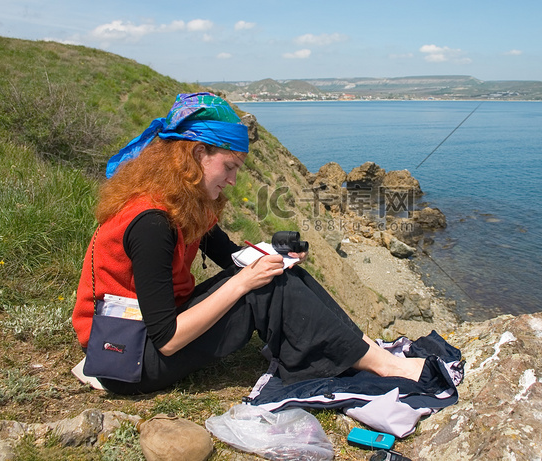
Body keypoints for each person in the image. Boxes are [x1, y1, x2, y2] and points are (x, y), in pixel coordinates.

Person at [72, 92, 424, 395]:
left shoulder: (182, 205)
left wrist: (275, 252)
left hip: (143, 334)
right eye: (228, 166)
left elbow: (230, 258)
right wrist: (244, 282)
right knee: (261, 289)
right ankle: (381, 364)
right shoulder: (152, 223)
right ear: (196, 155)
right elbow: (168, 339)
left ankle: (365, 350)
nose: (233, 179)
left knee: (275, 278)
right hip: (125, 355)